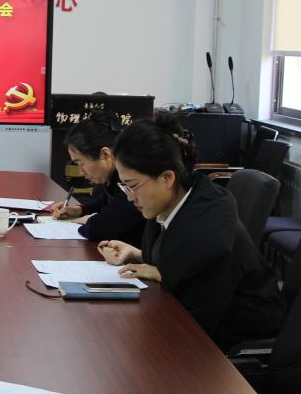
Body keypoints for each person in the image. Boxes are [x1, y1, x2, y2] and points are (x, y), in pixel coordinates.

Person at [97, 112, 284, 350]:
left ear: (167, 178)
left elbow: (192, 324)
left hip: (232, 342)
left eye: (132, 186)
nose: (130, 197)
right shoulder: (180, 198)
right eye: (124, 187)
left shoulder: (207, 230)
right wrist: (139, 255)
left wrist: (163, 274)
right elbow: (181, 262)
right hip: (198, 322)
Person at [50, 109, 145, 247]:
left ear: (105, 155)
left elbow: (98, 229)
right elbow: (107, 200)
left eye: (81, 163)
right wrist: (80, 210)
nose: (81, 171)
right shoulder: (114, 177)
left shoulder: (132, 182)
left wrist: (90, 221)